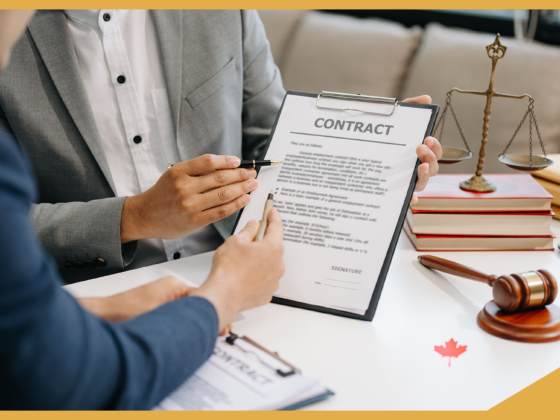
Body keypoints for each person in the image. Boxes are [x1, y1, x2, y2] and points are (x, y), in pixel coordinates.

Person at [0, 10, 442, 283]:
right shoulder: (9, 34)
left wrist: (378, 161)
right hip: (88, 299)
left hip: (240, 271)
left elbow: (271, 140)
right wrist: (134, 216)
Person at [0, 10, 286, 409]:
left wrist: (387, 159)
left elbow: (280, 145)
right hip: (97, 304)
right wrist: (133, 216)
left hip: (247, 286)